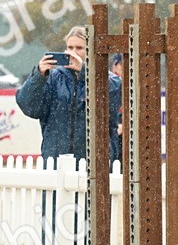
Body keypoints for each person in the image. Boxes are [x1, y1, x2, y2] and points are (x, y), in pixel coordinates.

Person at [16, 26, 122, 165]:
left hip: (95, 162)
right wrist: (38, 75)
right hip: (56, 160)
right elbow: (29, 107)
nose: (73, 52)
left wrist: (84, 71)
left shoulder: (106, 78)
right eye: (70, 47)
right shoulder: (54, 78)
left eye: (79, 48)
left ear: (91, 50)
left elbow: (114, 97)